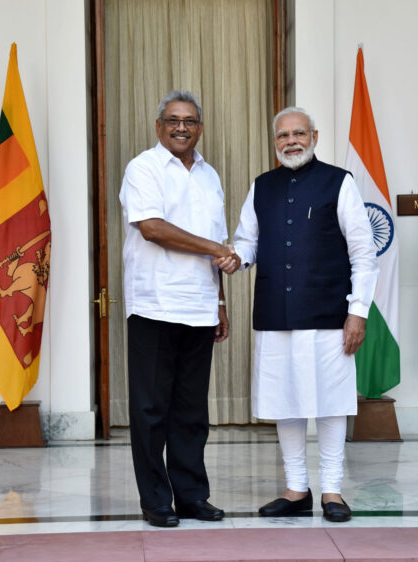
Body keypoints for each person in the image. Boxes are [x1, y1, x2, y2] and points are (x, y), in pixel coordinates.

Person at [222, 106, 378, 523]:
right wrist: (235, 258)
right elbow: (247, 241)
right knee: (285, 403)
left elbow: (364, 252)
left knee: (330, 404)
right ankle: (296, 490)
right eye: (282, 136)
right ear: (274, 143)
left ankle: (332, 490)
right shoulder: (261, 187)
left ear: (314, 136)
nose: (291, 141)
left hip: (330, 316)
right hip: (275, 315)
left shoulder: (339, 183)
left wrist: (358, 313)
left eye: (298, 133)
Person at [119, 90, 239, 527]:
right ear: (159, 127)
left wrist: (220, 300)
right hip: (155, 304)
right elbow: (152, 228)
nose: (181, 127)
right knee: (151, 411)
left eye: (189, 120)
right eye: (173, 120)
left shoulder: (210, 175)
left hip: (200, 308)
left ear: (200, 127)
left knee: (191, 412)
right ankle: (155, 501)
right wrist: (215, 248)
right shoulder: (143, 168)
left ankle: (191, 496)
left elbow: (219, 244)